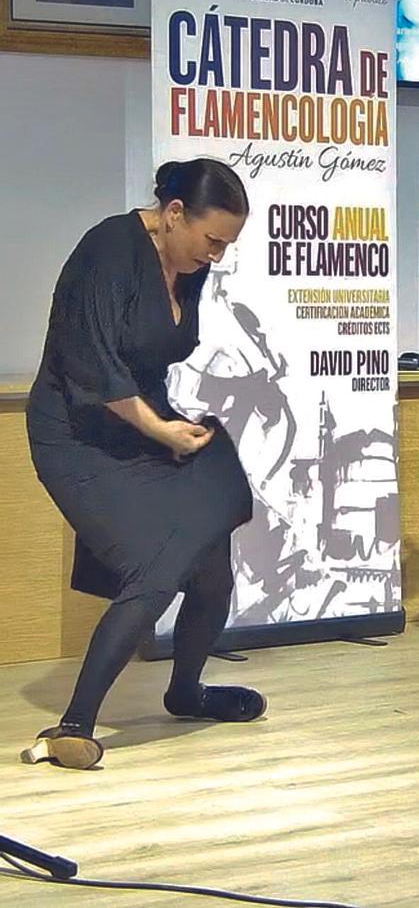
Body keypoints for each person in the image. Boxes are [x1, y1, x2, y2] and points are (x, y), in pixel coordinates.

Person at [20, 158, 264, 770]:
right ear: (174, 213)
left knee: (211, 563)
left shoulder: (186, 263)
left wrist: (165, 427)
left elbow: (159, 351)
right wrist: (160, 430)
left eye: (226, 247)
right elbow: (91, 367)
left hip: (143, 419)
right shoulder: (107, 250)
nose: (216, 257)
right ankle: (73, 726)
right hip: (75, 432)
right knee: (153, 568)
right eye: (212, 241)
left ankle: (185, 691)